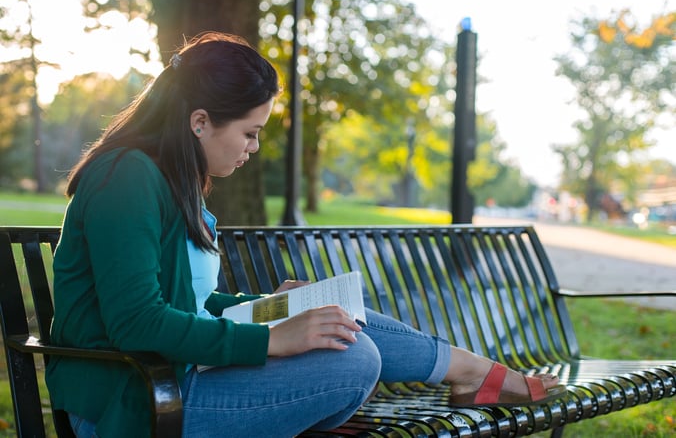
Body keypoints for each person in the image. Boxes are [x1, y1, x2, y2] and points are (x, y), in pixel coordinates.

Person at [46, 31, 566, 438]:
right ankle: (475, 376)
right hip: (136, 402)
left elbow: (189, 301)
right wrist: (271, 336)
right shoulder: (126, 178)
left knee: (339, 312)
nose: (253, 148)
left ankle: (474, 373)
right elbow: (136, 322)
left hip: (178, 375)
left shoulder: (168, 180)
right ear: (200, 121)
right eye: (250, 132)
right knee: (356, 361)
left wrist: (268, 305)